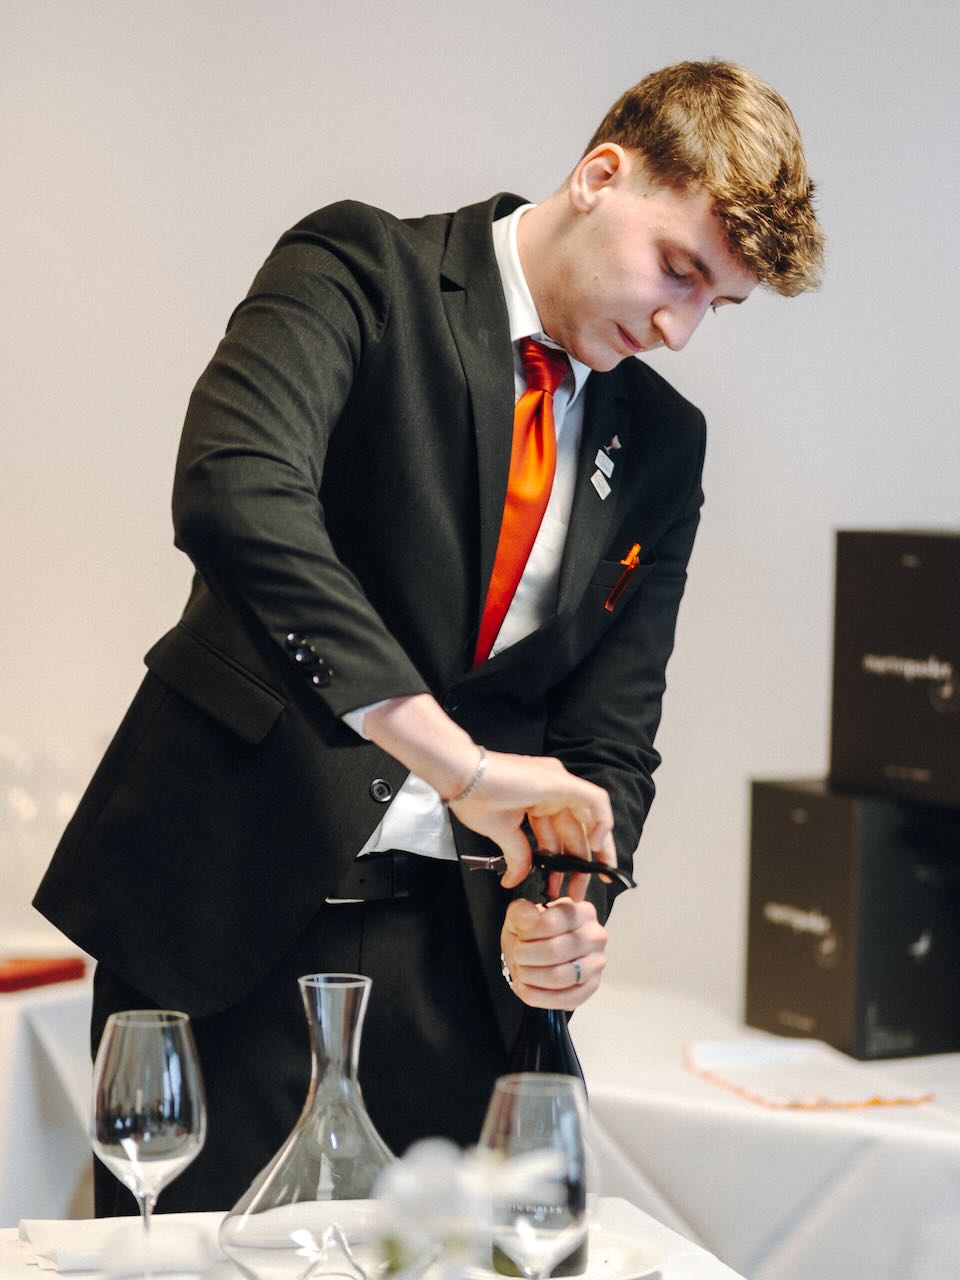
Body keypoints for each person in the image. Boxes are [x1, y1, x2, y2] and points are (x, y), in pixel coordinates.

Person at [34, 59, 824, 1213]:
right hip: (226, 909)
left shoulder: (665, 442)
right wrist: (461, 766)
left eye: (720, 304)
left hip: (467, 969)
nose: (679, 326)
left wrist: (568, 912)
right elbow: (236, 493)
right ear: (601, 175)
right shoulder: (360, 267)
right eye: (679, 268)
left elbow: (611, 741)